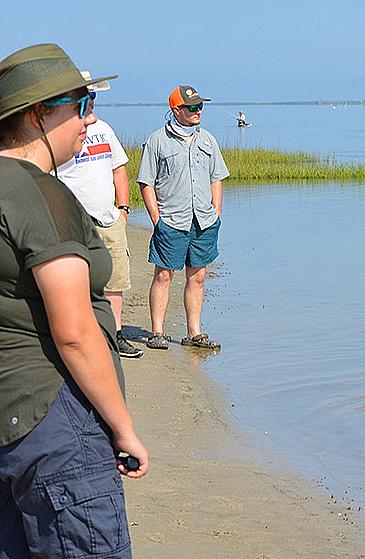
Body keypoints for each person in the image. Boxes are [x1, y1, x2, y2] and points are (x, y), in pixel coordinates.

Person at [0, 43, 148, 558]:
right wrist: (122, 426)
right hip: (55, 418)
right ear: (40, 113)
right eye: (80, 105)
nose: (90, 119)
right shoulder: (38, 193)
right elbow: (74, 330)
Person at [57, 71, 143, 358]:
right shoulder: (61, 134)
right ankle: (80, 334)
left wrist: (124, 208)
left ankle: (115, 334)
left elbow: (119, 169)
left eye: (93, 97)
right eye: (84, 98)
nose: (90, 103)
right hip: (73, 219)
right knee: (76, 279)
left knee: (116, 279)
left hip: (109, 218)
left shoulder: (104, 130)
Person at [138, 85, 229, 350]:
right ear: (176, 110)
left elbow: (217, 178)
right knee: (164, 275)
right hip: (171, 220)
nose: (198, 111)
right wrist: (157, 220)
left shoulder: (208, 140)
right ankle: (157, 332)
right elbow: (146, 182)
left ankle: (194, 333)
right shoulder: (157, 140)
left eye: (200, 106)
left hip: (203, 220)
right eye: (192, 107)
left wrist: (217, 212)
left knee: (198, 276)